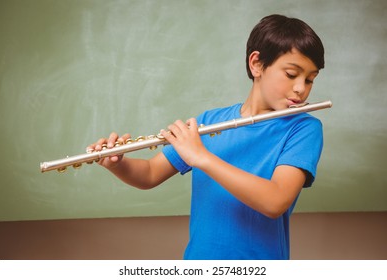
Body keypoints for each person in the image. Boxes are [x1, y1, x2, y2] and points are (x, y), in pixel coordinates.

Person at [87, 14, 325, 260]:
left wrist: (202, 157)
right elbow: (148, 174)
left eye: (309, 79)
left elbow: (275, 201)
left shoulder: (304, 129)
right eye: (291, 74)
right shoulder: (210, 122)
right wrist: (118, 163)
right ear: (257, 64)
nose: (301, 88)